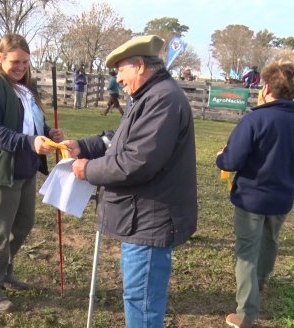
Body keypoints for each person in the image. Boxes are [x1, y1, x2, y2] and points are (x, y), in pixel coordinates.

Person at [61, 35, 198, 327]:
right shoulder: (148, 96)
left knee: (142, 302)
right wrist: (84, 146)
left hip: (150, 219)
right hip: (141, 216)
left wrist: (89, 170)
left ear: (139, 66)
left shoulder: (162, 100)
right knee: (138, 296)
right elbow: (120, 138)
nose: (118, 78)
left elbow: (136, 162)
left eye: (120, 69)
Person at [0, 33, 64, 314]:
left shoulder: (25, 88)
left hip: (25, 169)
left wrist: (47, 132)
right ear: (0, 58)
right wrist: (31, 142)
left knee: (23, 224)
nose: (21, 67)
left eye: (25, 62)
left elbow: (32, 122)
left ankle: (4, 271)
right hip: (0, 170)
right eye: (15, 61)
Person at [216, 59, 294, 328]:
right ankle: (259, 284)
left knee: (247, 252)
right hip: (282, 197)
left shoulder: (255, 119)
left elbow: (232, 160)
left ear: (267, 88)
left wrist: (221, 159)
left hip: (252, 198)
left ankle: (246, 313)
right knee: (270, 242)